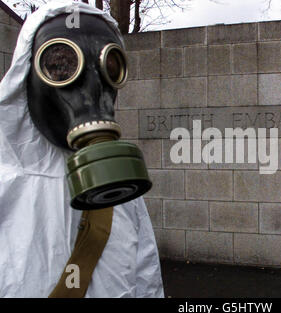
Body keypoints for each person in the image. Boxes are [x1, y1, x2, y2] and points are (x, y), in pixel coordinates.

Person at [0, 2, 164, 297]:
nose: (91, 87)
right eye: (61, 66)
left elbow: (146, 278)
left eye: (108, 67)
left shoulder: (121, 194)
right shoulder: (6, 185)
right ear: (27, 77)